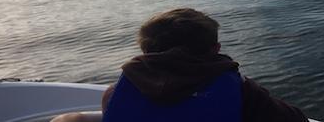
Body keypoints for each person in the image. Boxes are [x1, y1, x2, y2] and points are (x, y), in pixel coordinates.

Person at [52, 8, 308, 122]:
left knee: (68, 119)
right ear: (215, 50)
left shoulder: (114, 94)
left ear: (145, 51)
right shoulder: (242, 92)